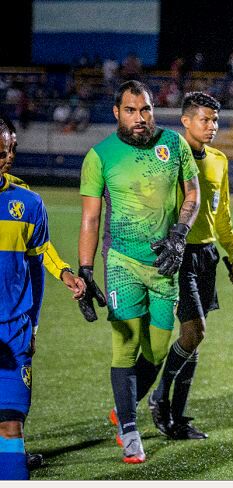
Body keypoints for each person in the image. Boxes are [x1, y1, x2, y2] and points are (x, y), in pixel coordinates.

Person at [77, 80, 200, 464]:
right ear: (117, 113)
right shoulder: (100, 156)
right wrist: (85, 270)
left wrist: (180, 234)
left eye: (145, 109)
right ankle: (129, 429)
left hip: (165, 264)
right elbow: (90, 218)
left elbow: (192, 193)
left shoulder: (174, 145)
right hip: (121, 263)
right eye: (130, 110)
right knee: (126, 343)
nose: (139, 118)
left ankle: (124, 406)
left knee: (158, 350)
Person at [148, 92, 233, 440]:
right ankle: (160, 396)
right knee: (195, 332)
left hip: (207, 256)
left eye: (215, 120)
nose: (212, 126)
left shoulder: (219, 160)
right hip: (179, 255)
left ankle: (177, 416)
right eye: (204, 120)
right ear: (185, 121)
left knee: (194, 339)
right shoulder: (171, 158)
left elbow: (222, 214)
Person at [0, 115, 86, 471]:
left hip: (14, 330)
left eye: (9, 151)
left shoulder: (29, 203)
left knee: (10, 424)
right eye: (1, 151)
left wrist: (64, 272)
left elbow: (39, 258)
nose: (6, 158)